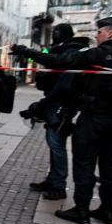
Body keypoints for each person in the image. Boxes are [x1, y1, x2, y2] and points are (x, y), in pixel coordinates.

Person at [12, 11, 112, 224]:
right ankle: (107, 210)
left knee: (84, 164)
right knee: (111, 168)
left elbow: (58, 61)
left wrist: (23, 51)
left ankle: (82, 209)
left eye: (100, 32)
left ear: (110, 33)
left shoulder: (94, 56)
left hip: (93, 119)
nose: (97, 35)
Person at [27, 23, 90, 200]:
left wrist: (45, 102)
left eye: (55, 33)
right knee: (54, 143)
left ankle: (59, 185)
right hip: (58, 103)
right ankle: (53, 179)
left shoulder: (71, 52)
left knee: (56, 145)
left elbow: (65, 83)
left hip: (61, 104)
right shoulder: (66, 50)